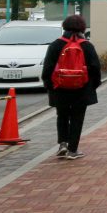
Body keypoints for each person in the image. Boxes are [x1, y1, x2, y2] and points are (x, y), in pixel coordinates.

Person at [41, 15, 101, 160]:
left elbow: (47, 68)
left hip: (60, 88)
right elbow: (95, 68)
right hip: (82, 88)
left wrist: (50, 86)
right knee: (77, 118)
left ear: (65, 26)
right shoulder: (86, 45)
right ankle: (72, 150)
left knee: (62, 116)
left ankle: (63, 144)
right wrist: (93, 85)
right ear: (82, 28)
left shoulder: (56, 44)